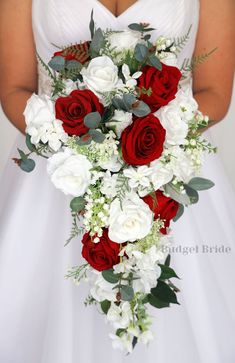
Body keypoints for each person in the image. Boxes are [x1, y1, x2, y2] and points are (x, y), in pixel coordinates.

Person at [0, 0, 234, 362]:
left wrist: (151, 143)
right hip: (55, 178)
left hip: (169, 170)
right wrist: (79, 151)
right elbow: (15, 87)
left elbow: (215, 93)